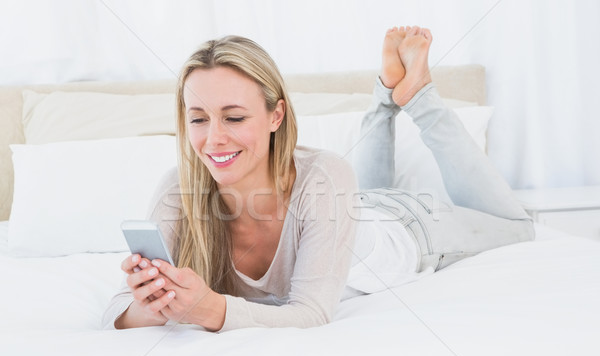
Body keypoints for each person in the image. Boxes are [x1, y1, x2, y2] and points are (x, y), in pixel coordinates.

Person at [103, 26, 533, 332]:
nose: (214, 138)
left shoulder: (324, 176)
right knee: (359, 193)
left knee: (520, 228)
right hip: (351, 209)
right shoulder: (178, 190)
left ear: (276, 115)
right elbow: (116, 311)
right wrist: (152, 306)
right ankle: (385, 97)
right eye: (198, 118)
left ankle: (415, 95)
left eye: (234, 117)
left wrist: (209, 309)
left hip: (410, 229)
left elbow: (310, 314)